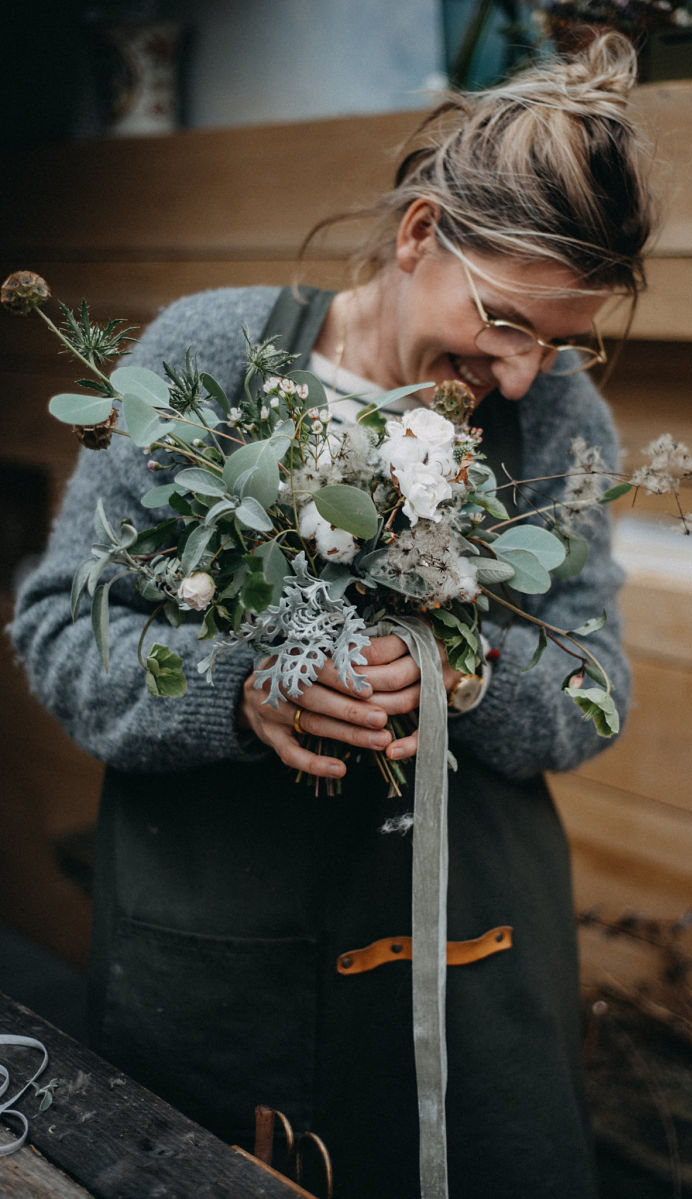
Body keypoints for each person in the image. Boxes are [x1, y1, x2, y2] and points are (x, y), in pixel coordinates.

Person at [11, 31, 653, 1199]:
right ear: (418, 235)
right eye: (507, 320)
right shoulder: (206, 355)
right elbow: (62, 629)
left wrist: (465, 676)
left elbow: (590, 684)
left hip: (470, 982)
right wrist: (242, 686)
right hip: (218, 969)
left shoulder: (561, 423)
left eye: (564, 340)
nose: (522, 373)